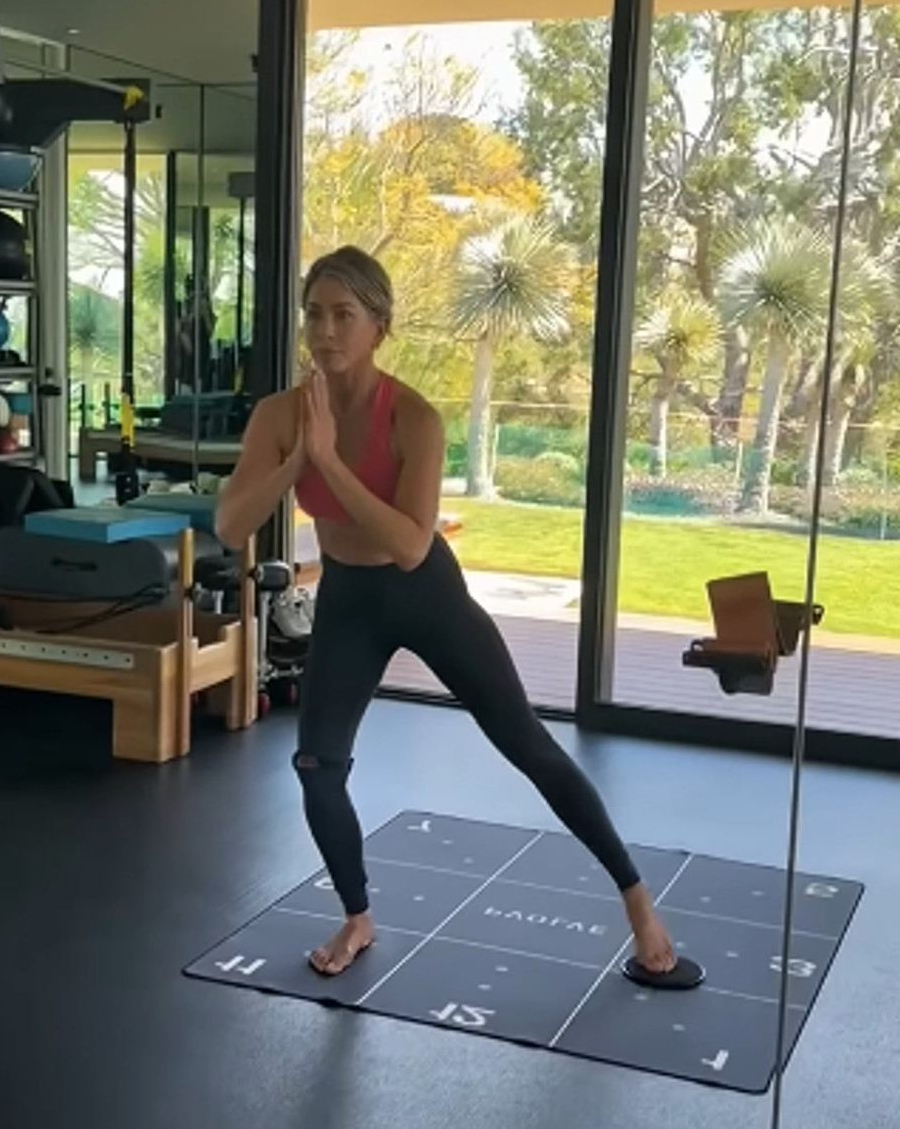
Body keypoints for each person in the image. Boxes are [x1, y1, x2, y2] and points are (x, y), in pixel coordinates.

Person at [215, 246, 682, 980]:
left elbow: (408, 544)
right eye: (314, 314)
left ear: (379, 325)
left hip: (425, 592)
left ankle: (636, 898)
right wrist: (297, 460)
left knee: (527, 745)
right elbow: (230, 526)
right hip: (348, 598)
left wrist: (331, 463)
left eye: (344, 315)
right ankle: (357, 917)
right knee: (315, 766)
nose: (325, 331)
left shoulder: (413, 418)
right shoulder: (280, 416)